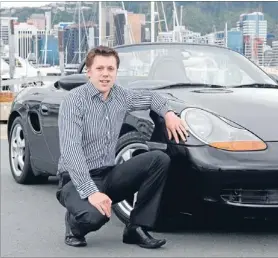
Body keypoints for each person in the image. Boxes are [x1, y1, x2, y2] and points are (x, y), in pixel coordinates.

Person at [55, 45, 188, 249]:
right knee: (95, 217)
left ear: (116, 72)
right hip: (74, 179)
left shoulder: (121, 96)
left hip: (108, 174)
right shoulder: (74, 102)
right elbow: (71, 152)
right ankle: (74, 224)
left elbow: (153, 98)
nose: (105, 74)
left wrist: (169, 114)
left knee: (159, 159)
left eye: (111, 69)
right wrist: (92, 192)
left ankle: (136, 228)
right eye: (100, 69)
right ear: (89, 72)